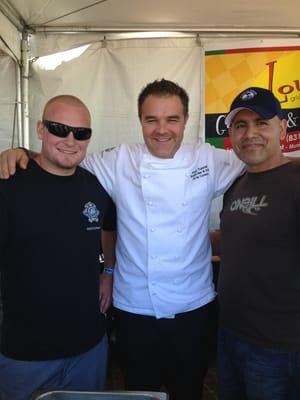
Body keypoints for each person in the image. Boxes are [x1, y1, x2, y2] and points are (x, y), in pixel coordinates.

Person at [0, 79, 244, 400]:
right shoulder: (117, 160)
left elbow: (263, 160)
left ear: (186, 120)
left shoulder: (211, 159)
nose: (162, 130)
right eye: (151, 119)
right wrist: (20, 152)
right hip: (134, 308)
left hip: (193, 306)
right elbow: (62, 157)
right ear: (139, 120)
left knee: (189, 390)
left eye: (172, 119)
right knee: (138, 391)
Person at [0, 95, 116, 400]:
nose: (69, 140)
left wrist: (108, 270)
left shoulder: (96, 185)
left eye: (80, 133)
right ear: (40, 129)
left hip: (89, 349)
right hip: (25, 355)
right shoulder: (8, 183)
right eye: (58, 128)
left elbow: (109, 226)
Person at [217, 87, 300, 400]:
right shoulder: (236, 184)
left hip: (280, 349)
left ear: (282, 127)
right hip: (231, 337)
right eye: (241, 125)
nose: (250, 133)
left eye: (261, 122)